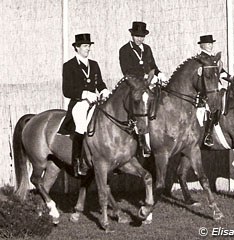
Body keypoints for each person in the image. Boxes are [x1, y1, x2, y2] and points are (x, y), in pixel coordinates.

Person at [58, 33, 110, 177]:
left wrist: (104, 90)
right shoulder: (69, 66)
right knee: (81, 127)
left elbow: (99, 82)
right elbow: (67, 90)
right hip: (79, 103)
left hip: (94, 102)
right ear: (77, 48)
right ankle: (77, 163)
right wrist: (85, 94)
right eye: (85, 46)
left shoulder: (94, 64)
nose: (88, 49)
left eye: (89, 46)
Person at [119, 21, 167, 157]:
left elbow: (153, 65)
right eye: (137, 36)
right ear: (132, 35)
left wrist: (159, 74)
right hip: (133, 82)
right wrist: (144, 76)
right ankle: (140, 139)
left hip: (148, 82)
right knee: (139, 103)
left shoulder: (147, 49)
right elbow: (126, 70)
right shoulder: (125, 50)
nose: (140, 39)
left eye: (142, 36)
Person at [197, 34, 227, 147]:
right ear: (202, 46)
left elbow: (221, 72)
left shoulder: (214, 58)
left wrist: (230, 77)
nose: (210, 46)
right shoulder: (200, 58)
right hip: (206, 88)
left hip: (216, 86)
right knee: (211, 106)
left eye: (211, 43)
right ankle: (208, 134)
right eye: (208, 44)